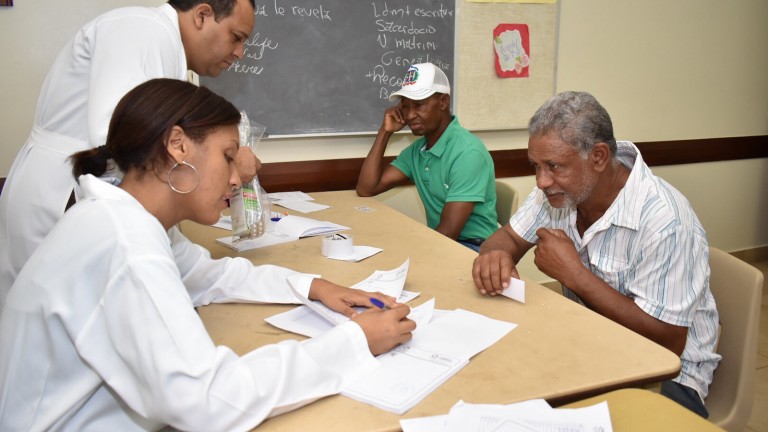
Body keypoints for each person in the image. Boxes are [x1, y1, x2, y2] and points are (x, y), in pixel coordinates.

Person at [0, 78, 415, 431]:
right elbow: (206, 400)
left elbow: (211, 276)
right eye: (228, 156)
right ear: (178, 146)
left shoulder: (121, 215)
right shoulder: (127, 245)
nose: (237, 179)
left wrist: (316, 286)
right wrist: (355, 342)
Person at [471, 91, 720, 417]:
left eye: (554, 166)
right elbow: (504, 239)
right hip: (589, 345)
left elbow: (668, 343)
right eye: (536, 166)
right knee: (495, 389)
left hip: (668, 376)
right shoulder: (557, 191)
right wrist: (494, 255)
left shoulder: (665, 221)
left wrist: (574, 274)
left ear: (599, 157)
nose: (542, 181)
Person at [0, 0, 260, 306]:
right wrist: (228, 164)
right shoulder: (143, 30)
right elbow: (125, 142)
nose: (240, 53)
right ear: (202, 15)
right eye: (237, 37)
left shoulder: (162, 45)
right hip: (62, 194)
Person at [356, 62, 498, 252]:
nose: (410, 115)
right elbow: (367, 188)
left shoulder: (468, 153)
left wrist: (414, 252)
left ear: (443, 102)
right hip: (442, 240)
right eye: (405, 107)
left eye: (419, 105)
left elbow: (448, 232)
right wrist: (385, 132)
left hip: (473, 247)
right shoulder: (418, 150)